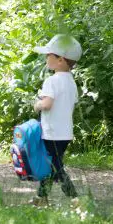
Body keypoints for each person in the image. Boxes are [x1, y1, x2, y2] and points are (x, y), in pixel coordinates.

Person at [32, 34, 81, 205]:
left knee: (56, 168)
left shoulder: (51, 81)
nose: (46, 58)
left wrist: (36, 104)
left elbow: (47, 104)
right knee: (52, 165)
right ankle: (41, 198)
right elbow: (71, 103)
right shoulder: (71, 82)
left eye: (49, 55)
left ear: (60, 59)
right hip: (65, 132)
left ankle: (75, 199)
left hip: (52, 132)